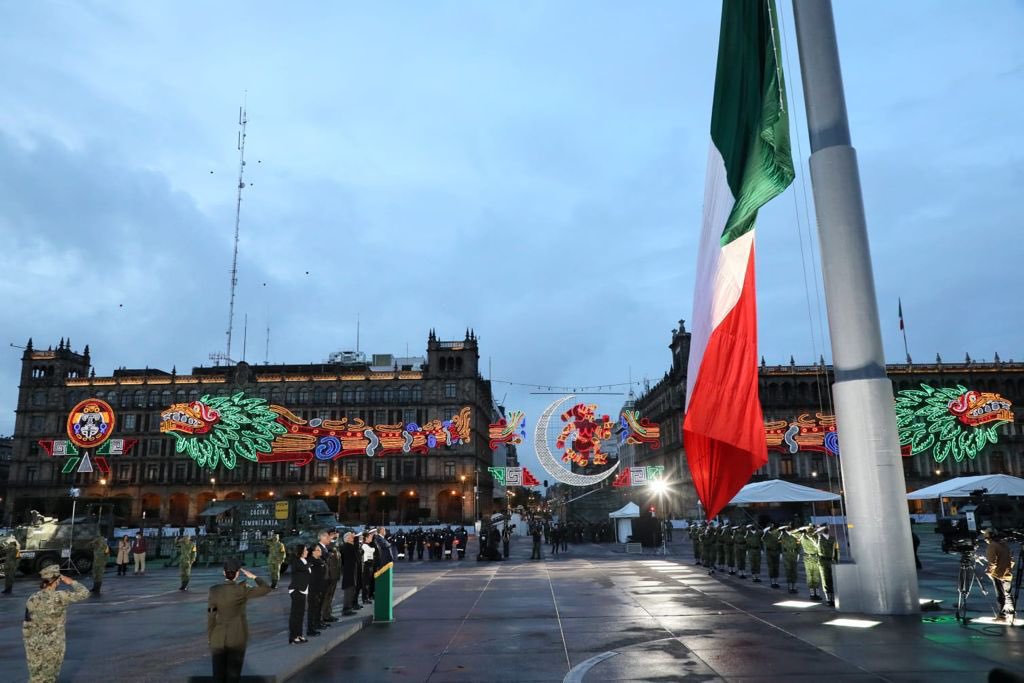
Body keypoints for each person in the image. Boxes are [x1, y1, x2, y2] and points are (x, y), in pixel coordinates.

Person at [207, 558, 272, 681]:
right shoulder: (242, 589)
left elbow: (211, 615)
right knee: (233, 674)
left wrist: (210, 636)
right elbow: (266, 588)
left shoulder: (214, 590)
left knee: (218, 674)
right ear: (237, 573)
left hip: (218, 636)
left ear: (224, 573)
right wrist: (254, 577)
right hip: (237, 636)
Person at [23, 564, 90, 682]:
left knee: (35, 676)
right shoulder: (61, 596)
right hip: (53, 644)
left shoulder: (32, 598)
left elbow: (27, 623)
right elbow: (85, 593)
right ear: (57, 580)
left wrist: (29, 642)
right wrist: (72, 582)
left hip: (34, 643)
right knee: (49, 676)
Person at [985, 530, 1015, 620]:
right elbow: (1012, 560)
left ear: (989, 538)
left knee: (1000, 595)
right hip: (1007, 574)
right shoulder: (1005, 545)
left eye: (986, 538)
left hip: (998, 574)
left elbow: (992, 563)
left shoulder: (992, 546)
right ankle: (1011, 613)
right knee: (1008, 595)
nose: (985, 540)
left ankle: (1002, 615)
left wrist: (989, 572)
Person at [287, 545, 310, 644]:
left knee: (300, 614)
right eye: (305, 550)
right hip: (296, 590)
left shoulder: (305, 561)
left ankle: (299, 634)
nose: (307, 552)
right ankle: (293, 636)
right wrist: (311, 564)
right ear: (300, 551)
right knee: (295, 614)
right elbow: (303, 568)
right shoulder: (296, 561)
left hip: (303, 590)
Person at [321, 530, 342, 624]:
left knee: (330, 596)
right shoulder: (328, 545)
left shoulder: (334, 545)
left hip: (334, 574)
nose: (335, 536)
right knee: (327, 596)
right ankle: (324, 615)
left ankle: (328, 614)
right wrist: (333, 540)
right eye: (333, 534)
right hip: (329, 576)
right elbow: (330, 550)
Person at [307, 544, 327, 637]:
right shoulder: (310, 561)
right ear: (313, 552)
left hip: (320, 587)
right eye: (318, 550)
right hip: (313, 588)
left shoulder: (320, 560)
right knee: (312, 608)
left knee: (319, 606)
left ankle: (318, 623)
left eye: (320, 550)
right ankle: (310, 629)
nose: (320, 551)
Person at [340, 532, 359, 615]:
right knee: (349, 590)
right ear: (347, 538)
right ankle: (346, 609)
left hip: (351, 571)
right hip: (349, 571)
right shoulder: (347, 546)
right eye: (352, 537)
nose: (353, 538)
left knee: (351, 590)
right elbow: (355, 555)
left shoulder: (349, 546)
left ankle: (349, 607)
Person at [781, 525, 801, 594]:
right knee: (788, 570)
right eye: (787, 527)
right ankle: (790, 587)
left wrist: (798, 553)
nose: (789, 528)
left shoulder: (795, 535)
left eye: (790, 527)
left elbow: (798, 544)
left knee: (794, 571)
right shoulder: (783, 535)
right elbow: (781, 545)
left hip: (794, 554)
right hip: (787, 555)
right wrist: (782, 553)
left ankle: (794, 586)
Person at [361, 531, 377, 604]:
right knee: (366, 583)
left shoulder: (368, 544)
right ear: (366, 538)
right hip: (366, 565)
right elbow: (372, 550)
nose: (371, 538)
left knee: (369, 582)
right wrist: (372, 549)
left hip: (370, 564)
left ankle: (367, 597)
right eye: (370, 537)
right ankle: (365, 598)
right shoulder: (364, 545)